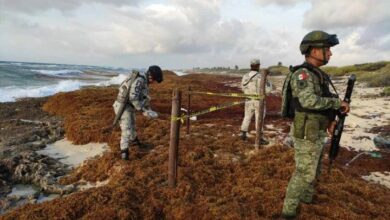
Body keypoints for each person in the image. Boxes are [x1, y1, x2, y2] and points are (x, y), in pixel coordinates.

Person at [281, 31, 350, 218]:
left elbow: (324, 100)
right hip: (306, 132)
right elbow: (308, 102)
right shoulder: (302, 75)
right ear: (313, 50)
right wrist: (337, 104)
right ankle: (288, 213)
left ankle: (307, 200)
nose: (330, 53)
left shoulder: (319, 74)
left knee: (315, 170)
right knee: (304, 173)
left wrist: (331, 120)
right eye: (326, 49)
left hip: (317, 130)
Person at [113, 65, 163, 160]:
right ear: (151, 76)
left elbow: (144, 98)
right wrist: (143, 110)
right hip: (122, 106)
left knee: (132, 124)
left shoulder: (144, 81)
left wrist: (148, 110)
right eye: (155, 80)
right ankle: (124, 153)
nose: (154, 83)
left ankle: (135, 142)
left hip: (129, 106)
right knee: (126, 129)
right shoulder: (140, 80)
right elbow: (133, 98)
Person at [239, 59, 271, 145]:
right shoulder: (261, 76)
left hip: (248, 100)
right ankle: (259, 138)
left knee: (247, 117)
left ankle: (243, 134)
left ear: (251, 66)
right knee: (259, 119)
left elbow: (242, 88)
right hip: (258, 101)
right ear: (258, 66)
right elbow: (268, 90)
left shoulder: (245, 76)